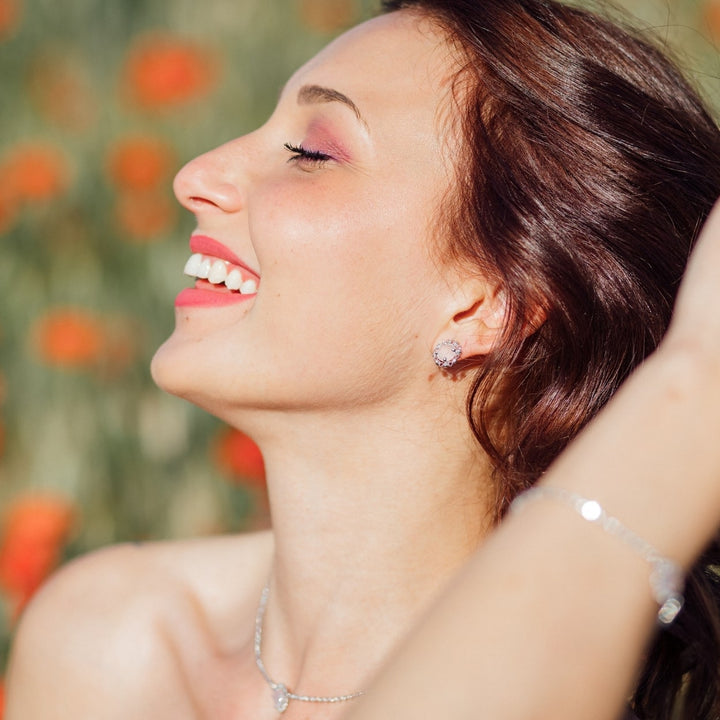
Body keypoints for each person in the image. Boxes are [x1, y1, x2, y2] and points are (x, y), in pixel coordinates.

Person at [5, 1, 720, 719]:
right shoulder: (113, 643)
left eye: (311, 152)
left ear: (488, 305)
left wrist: (699, 379)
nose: (197, 174)